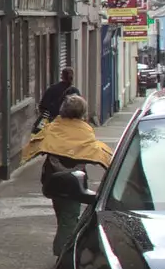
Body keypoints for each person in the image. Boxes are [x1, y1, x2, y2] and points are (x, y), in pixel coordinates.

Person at [21, 94, 114, 256]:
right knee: (69, 218)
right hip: (75, 183)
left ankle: (67, 248)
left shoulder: (53, 128)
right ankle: (65, 253)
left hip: (53, 181)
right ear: (82, 112)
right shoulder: (85, 131)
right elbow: (93, 151)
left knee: (65, 215)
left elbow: (37, 142)